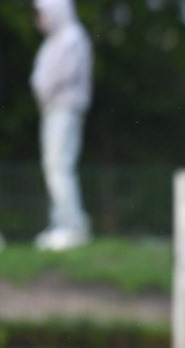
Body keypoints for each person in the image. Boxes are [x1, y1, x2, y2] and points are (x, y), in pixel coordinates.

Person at [30, 0, 92, 251]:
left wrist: (42, 87)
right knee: (55, 167)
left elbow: (58, 75)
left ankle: (72, 228)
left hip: (64, 109)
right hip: (53, 109)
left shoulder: (72, 37)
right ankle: (62, 225)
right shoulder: (56, 40)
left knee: (59, 166)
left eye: (43, 13)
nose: (40, 19)